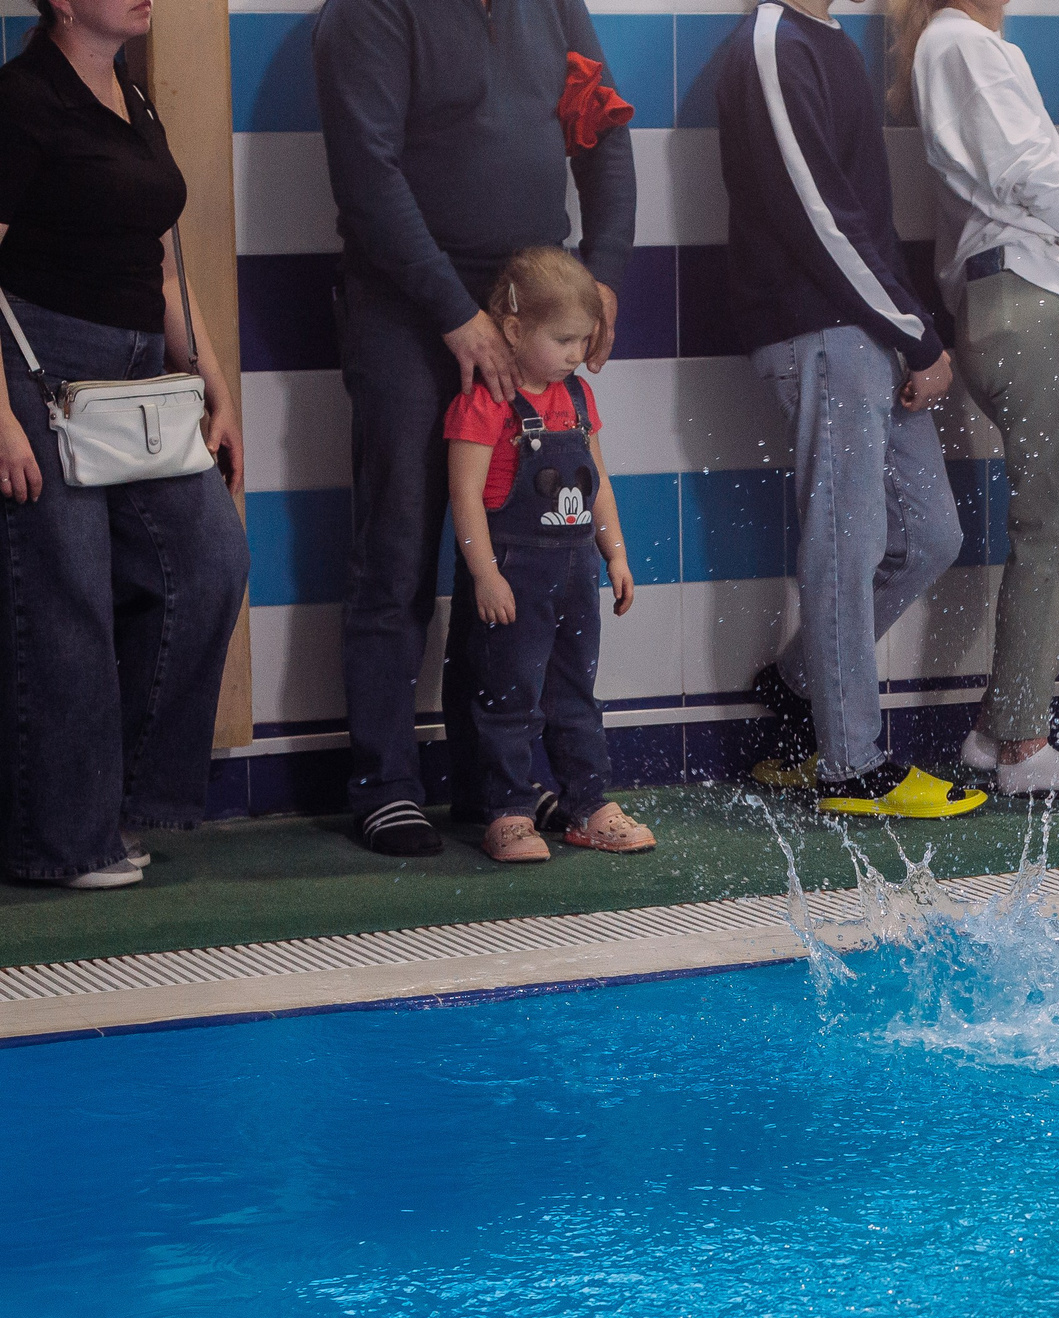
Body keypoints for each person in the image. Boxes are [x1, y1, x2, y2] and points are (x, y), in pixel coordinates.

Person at [315, 0, 635, 855]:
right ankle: (385, 782)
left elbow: (603, 135)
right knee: (401, 542)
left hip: (529, 302)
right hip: (405, 305)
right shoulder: (370, 12)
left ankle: (490, 786)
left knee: (523, 548)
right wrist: (458, 314)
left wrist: (600, 277)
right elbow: (368, 173)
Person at [0, 0, 251, 890]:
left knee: (211, 560)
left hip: (144, 374)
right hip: (41, 369)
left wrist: (214, 384)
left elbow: (165, 264)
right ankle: (60, 841)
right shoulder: (23, 100)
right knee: (64, 601)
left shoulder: (132, 99)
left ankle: (112, 801)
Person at [716, 0, 984, 821]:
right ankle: (849, 764)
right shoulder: (773, 40)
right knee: (849, 539)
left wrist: (905, 330)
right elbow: (820, 218)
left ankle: (801, 688)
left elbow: (860, 221)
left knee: (931, 534)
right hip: (820, 330)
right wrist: (915, 332)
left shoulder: (827, 39)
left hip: (864, 329)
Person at [894, 0, 1059, 802]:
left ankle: (998, 728)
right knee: (1055, 525)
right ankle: (1021, 746)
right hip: (1023, 305)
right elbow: (1034, 178)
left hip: (1034, 306)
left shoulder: (973, 46)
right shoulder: (955, 40)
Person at [442, 249, 654, 863]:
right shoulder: (483, 404)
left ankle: (587, 804)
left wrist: (615, 555)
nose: (574, 354)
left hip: (574, 572)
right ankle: (506, 811)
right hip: (513, 576)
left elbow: (598, 485)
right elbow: (465, 498)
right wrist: (483, 573)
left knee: (574, 694)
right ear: (513, 330)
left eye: (582, 341)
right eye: (562, 340)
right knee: (508, 695)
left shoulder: (579, 400)